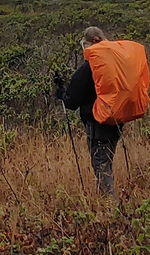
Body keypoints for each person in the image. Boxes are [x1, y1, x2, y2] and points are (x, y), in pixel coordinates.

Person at [54, 26, 121, 196]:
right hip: (117, 120)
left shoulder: (88, 69)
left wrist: (61, 93)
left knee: (101, 165)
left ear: (90, 43)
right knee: (106, 161)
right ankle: (103, 203)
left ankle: (112, 208)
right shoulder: (116, 62)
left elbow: (72, 102)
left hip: (97, 123)